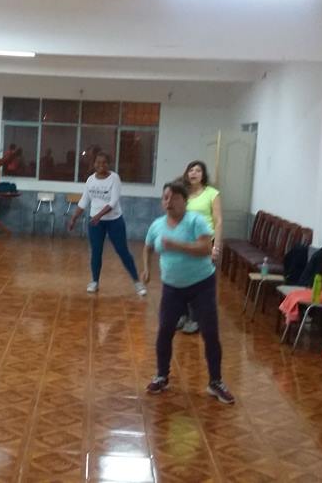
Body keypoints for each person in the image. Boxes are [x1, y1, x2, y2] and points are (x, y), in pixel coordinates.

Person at [141, 179, 235, 404]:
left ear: (184, 201)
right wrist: (146, 268)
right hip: (172, 287)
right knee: (165, 330)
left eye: (174, 198)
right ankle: (162, 376)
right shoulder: (157, 225)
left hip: (201, 285)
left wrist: (177, 245)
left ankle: (215, 382)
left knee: (210, 332)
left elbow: (205, 248)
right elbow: (148, 247)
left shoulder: (196, 221)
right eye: (165, 198)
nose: (169, 202)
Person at [68, 152, 147, 297]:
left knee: (122, 251)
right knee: (96, 252)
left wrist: (98, 216)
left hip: (114, 221)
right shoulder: (90, 180)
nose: (101, 165)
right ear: (94, 164)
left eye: (104, 162)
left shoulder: (114, 178)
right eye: (98, 162)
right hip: (95, 223)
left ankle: (137, 282)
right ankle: (94, 281)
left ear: (108, 164)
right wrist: (74, 218)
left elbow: (113, 202)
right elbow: (84, 201)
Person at [177, 161, 224, 334]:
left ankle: (195, 318)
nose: (194, 173)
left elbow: (218, 221)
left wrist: (216, 247)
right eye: (191, 170)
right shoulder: (183, 193)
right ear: (187, 173)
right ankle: (182, 314)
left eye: (198, 170)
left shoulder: (212, 193)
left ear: (203, 175)